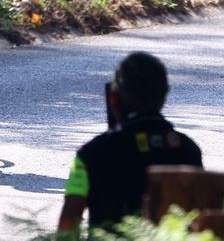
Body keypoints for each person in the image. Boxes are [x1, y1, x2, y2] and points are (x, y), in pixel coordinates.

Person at [57, 52, 203, 233]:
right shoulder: (188, 150)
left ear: (114, 99)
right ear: (164, 96)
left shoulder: (90, 155)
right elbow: (199, 219)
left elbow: (68, 224)